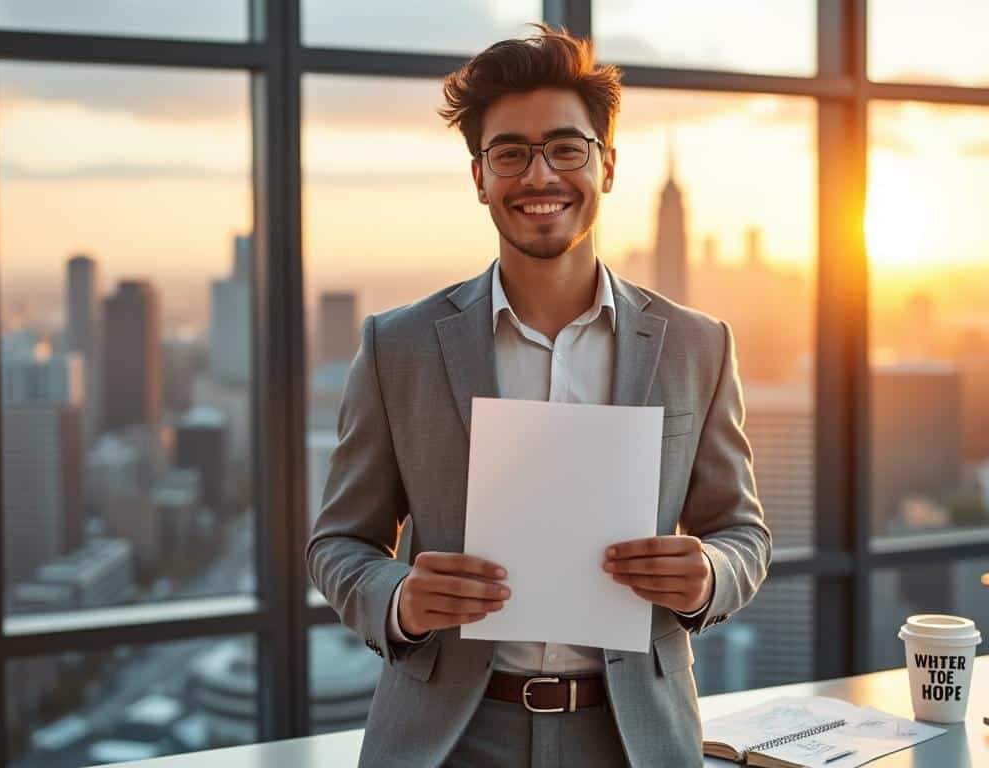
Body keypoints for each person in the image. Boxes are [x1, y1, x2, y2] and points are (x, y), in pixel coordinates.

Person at [306, 24, 771, 768]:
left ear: (607, 165)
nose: (539, 175)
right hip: (450, 737)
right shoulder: (399, 346)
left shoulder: (695, 344)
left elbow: (743, 534)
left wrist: (709, 574)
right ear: (479, 178)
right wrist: (400, 597)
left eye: (565, 147)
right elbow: (339, 544)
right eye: (510, 153)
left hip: (632, 737)